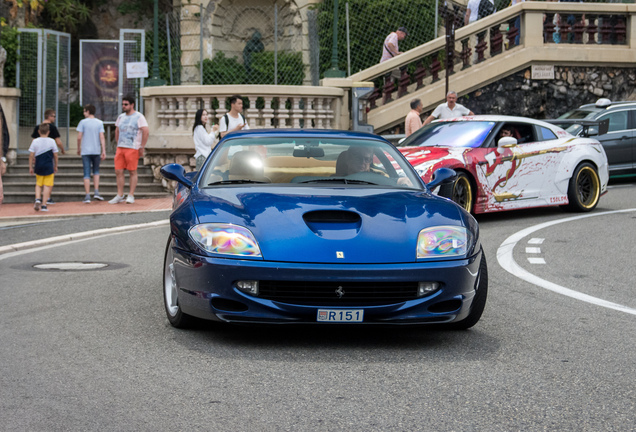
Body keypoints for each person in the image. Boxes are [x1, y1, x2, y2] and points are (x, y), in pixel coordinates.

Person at [109, 95, 149, 204]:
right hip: (121, 147)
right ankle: (119, 194)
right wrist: (118, 143)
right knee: (118, 171)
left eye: (126, 104)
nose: (124, 106)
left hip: (132, 147)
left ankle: (131, 195)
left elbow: (145, 131)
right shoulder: (121, 117)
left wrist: (142, 146)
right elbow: (117, 129)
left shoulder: (139, 116)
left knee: (132, 171)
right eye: (123, 104)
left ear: (132, 105)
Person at [76, 104, 106, 203]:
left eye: (84, 111)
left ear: (88, 111)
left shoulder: (83, 122)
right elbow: (102, 137)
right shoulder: (99, 122)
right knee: (96, 171)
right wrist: (103, 150)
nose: (84, 113)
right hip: (96, 150)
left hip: (85, 151)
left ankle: (87, 195)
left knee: (86, 173)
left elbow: (79, 137)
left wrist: (78, 148)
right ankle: (96, 192)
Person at [28, 123, 58, 212]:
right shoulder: (52, 141)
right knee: (47, 186)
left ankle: (37, 198)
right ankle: (44, 205)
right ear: (48, 132)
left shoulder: (35, 141)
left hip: (38, 164)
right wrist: (55, 165)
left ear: (38, 131)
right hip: (48, 165)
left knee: (38, 184)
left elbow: (31, 155)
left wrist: (30, 166)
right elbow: (55, 155)